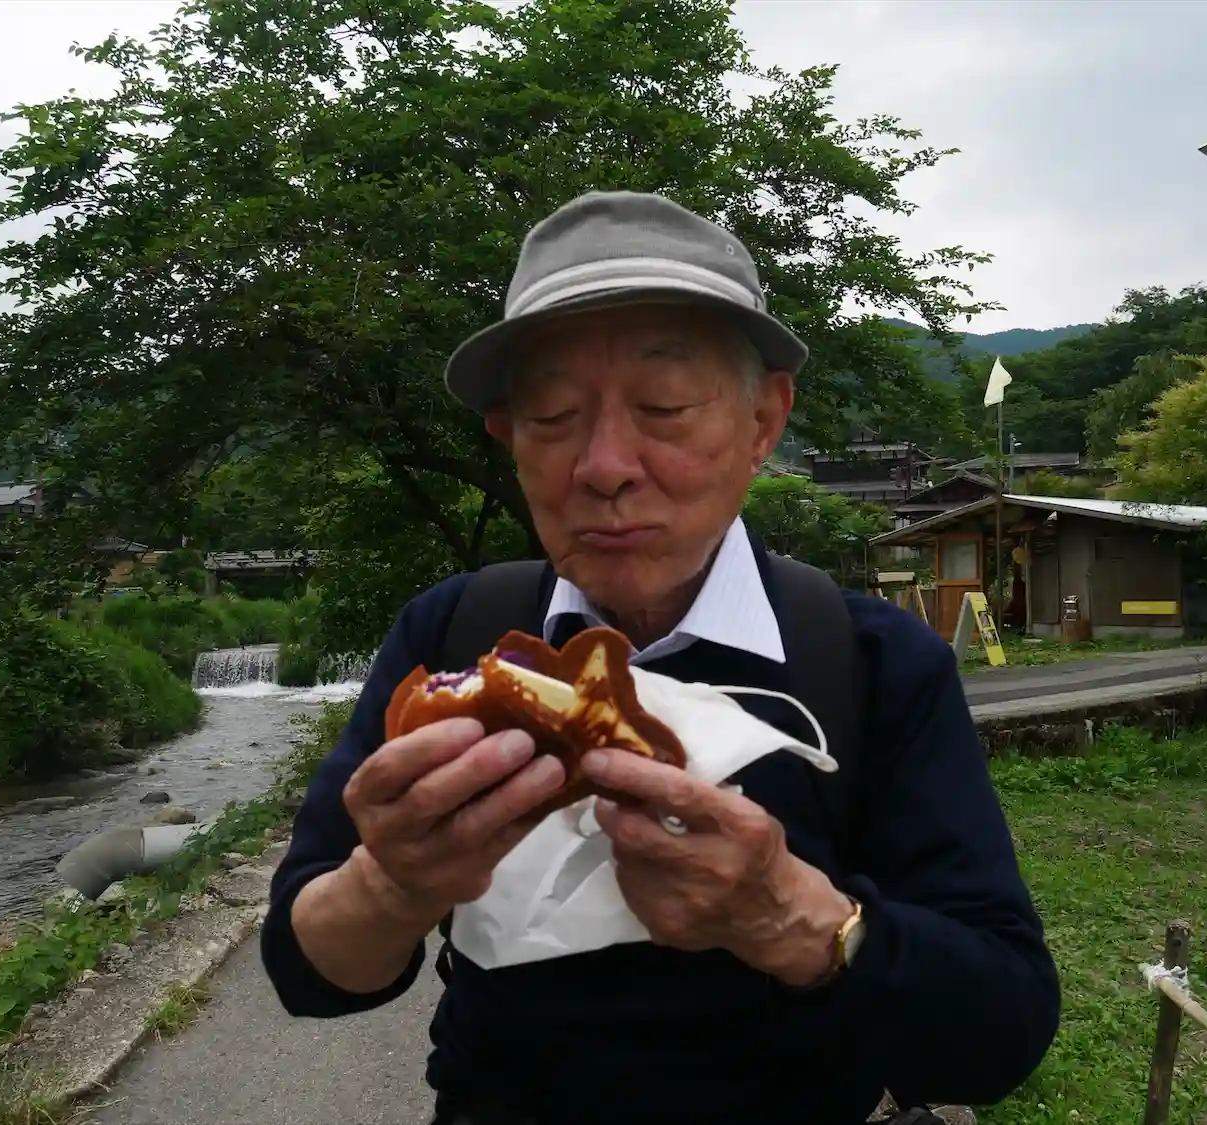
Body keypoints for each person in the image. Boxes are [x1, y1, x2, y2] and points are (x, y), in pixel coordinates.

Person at [262, 190, 1060, 1125]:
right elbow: (307, 972)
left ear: (763, 421)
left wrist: (790, 916)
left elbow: (1001, 1032)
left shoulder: (871, 665)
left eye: (666, 405)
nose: (604, 465)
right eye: (553, 413)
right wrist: (393, 883)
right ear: (509, 438)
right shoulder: (454, 638)